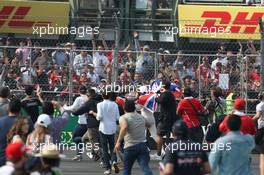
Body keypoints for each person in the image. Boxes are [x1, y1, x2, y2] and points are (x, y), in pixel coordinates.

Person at [114, 100, 152, 175]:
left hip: (130, 146)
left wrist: (118, 142)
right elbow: (149, 124)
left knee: (126, 169)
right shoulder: (141, 117)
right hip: (142, 146)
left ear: (124, 108)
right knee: (145, 167)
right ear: (134, 108)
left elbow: (124, 127)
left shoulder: (123, 117)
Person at [90, 90, 120, 174]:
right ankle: (114, 161)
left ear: (102, 96)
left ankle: (108, 168)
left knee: (105, 149)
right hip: (112, 128)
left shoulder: (100, 104)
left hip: (103, 128)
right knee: (112, 147)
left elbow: (99, 117)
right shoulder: (115, 104)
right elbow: (118, 118)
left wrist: (94, 114)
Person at [73, 88, 101, 161]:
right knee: (84, 139)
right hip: (99, 125)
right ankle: (94, 153)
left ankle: (104, 158)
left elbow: (80, 111)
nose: (87, 96)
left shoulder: (90, 102)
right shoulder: (99, 100)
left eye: (88, 95)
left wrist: (74, 112)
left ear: (90, 95)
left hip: (92, 126)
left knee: (94, 142)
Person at [153, 81, 178, 160]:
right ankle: (177, 152)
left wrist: (156, 97)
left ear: (163, 87)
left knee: (159, 135)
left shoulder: (166, 94)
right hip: (172, 117)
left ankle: (159, 154)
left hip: (166, 118)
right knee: (175, 135)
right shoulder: (170, 94)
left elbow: (161, 100)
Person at [63, 86, 89, 161]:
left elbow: (73, 108)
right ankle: (79, 155)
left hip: (82, 123)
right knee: (79, 138)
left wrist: (65, 107)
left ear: (79, 91)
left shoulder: (79, 98)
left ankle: (86, 140)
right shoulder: (88, 98)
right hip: (88, 123)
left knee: (75, 137)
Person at [0, 98, 22, 166]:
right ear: (20, 109)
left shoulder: (1, 121)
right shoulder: (27, 121)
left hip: (2, 160)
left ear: (8, 109)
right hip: (19, 161)